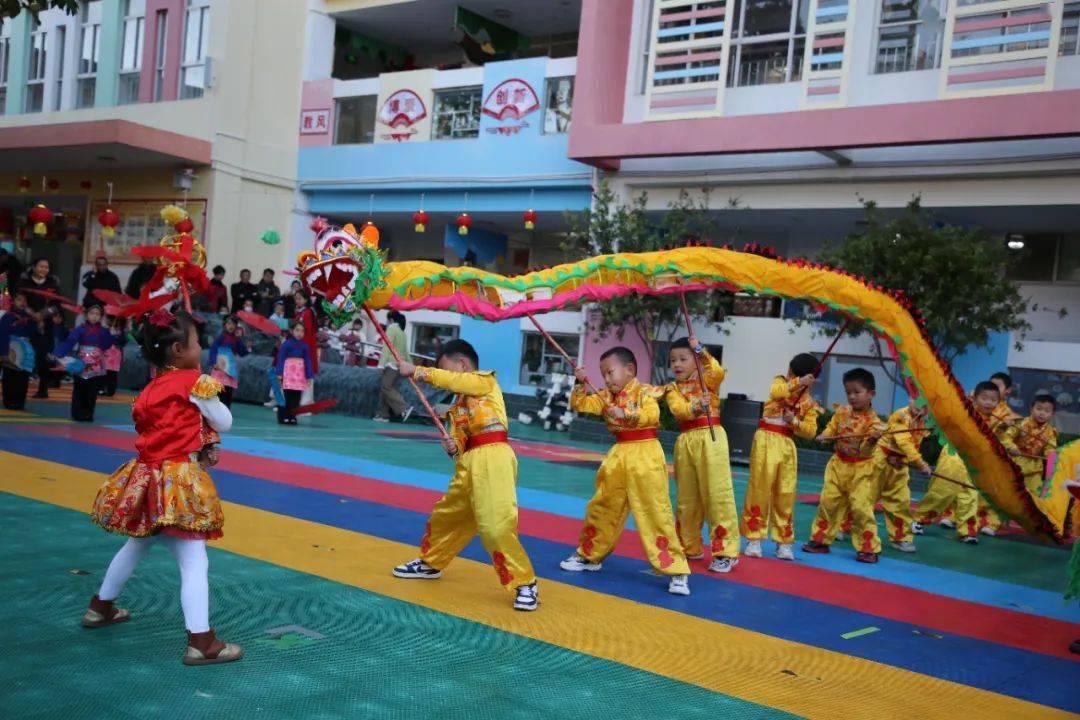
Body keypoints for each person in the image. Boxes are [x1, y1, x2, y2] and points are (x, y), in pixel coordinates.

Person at [81, 308, 242, 666]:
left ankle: (101, 607)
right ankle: (201, 641)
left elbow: (160, 429)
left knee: (136, 546)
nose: (201, 346)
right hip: (178, 482)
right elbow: (225, 422)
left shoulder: (149, 390)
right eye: (196, 342)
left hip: (146, 478)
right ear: (177, 351)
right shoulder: (194, 382)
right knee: (194, 561)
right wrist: (210, 402)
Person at [392, 339, 539, 611]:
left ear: (462, 364)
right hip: (469, 464)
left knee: (495, 525)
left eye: (448, 369)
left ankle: (525, 582)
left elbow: (453, 382)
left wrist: (417, 371)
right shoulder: (458, 406)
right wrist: (454, 446)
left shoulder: (484, 381)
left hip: (493, 457)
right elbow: (461, 443)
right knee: (447, 516)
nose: (447, 376)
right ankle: (430, 563)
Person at [560, 347, 692, 596]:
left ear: (630, 370)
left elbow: (651, 414)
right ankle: (590, 555)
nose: (607, 379)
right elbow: (580, 404)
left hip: (645, 453)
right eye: (603, 375)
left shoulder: (644, 391)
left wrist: (627, 413)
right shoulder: (605, 396)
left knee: (656, 511)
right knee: (602, 506)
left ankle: (676, 570)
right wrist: (579, 383)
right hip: (618, 454)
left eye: (610, 372)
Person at [662, 335, 740, 573]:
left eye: (683, 359)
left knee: (717, 494)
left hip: (711, 436)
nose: (677, 364)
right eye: (673, 360)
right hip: (686, 441)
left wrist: (700, 349)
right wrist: (695, 407)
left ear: (696, 361)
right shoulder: (672, 388)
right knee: (687, 499)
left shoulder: (708, 379)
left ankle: (726, 552)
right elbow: (679, 410)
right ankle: (689, 547)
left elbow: (717, 370)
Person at [740, 353, 822, 561]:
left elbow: (810, 431)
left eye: (806, 380)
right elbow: (776, 392)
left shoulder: (810, 403)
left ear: (812, 381)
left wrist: (794, 421)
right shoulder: (781, 382)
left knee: (785, 492)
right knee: (760, 488)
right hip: (766, 439)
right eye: (792, 374)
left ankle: (783, 542)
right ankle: (754, 538)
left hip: (786, 445)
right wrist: (796, 383)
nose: (790, 376)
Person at [913, 381, 1016, 544]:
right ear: (974, 399)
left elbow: (997, 441)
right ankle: (918, 519)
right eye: (985, 398)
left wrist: (1007, 441)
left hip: (973, 461)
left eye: (993, 400)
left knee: (970, 495)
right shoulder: (966, 411)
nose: (989, 403)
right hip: (954, 455)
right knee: (943, 490)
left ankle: (967, 531)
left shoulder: (996, 420)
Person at [801, 368, 886, 563]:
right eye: (848, 392)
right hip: (838, 465)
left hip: (861, 469)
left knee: (861, 508)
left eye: (857, 392)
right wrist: (826, 435)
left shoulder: (876, 424)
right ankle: (820, 540)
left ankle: (868, 548)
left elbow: (865, 452)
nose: (852, 397)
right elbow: (832, 427)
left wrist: (872, 441)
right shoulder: (841, 411)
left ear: (871, 394)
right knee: (828, 502)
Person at [871, 399, 931, 553]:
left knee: (901, 500)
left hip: (899, 463)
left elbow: (913, 444)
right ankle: (844, 524)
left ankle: (901, 537)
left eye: (925, 405)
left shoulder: (923, 421)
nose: (920, 407)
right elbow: (904, 442)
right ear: (910, 398)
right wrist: (920, 463)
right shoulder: (901, 415)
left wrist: (904, 459)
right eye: (917, 401)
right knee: (866, 495)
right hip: (881, 459)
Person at [55, 304, 114, 422]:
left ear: (101, 317)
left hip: (96, 364)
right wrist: (59, 353)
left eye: (97, 314)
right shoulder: (80, 329)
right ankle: (77, 413)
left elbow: (106, 345)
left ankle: (88, 414)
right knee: (79, 389)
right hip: (81, 363)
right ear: (86, 315)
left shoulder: (103, 331)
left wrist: (109, 332)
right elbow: (70, 341)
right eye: (92, 313)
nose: (94, 316)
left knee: (92, 391)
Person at [1011, 394, 1058, 494]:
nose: (1042, 413)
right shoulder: (1021, 423)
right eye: (1039, 409)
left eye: (1047, 411)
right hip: (1013, 463)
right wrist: (1011, 447)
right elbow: (1005, 437)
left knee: (1035, 496)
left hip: (1034, 469)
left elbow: (1051, 452)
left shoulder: (1051, 433)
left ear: (1052, 414)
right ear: (1031, 409)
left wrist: (1051, 458)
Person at [0, 290, 38, 410]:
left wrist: (38, 322)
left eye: (24, 300)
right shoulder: (7, 317)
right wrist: (3, 353)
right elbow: (2, 335)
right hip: (11, 349)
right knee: (10, 376)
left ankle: (20, 402)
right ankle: (9, 401)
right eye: (19, 300)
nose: (22, 302)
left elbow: (34, 333)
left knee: (23, 377)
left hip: (25, 350)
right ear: (13, 302)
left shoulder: (29, 318)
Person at [374, 310, 412, 422]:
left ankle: (404, 408)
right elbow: (406, 351)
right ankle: (382, 414)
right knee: (384, 389)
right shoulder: (402, 332)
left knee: (386, 387)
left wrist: (381, 364)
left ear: (390, 320)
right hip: (400, 364)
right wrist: (411, 366)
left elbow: (387, 347)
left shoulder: (391, 329)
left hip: (391, 364)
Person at [275, 321, 314, 425]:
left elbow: (308, 361)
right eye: (297, 330)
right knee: (287, 396)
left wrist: (309, 376)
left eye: (302, 331)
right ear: (292, 331)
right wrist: (279, 373)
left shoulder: (305, 346)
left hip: (299, 375)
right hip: (288, 373)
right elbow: (281, 358)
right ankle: (285, 416)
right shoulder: (286, 344)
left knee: (297, 396)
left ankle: (293, 416)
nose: (299, 333)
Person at [208, 315, 249, 408]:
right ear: (225, 325)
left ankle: (226, 408)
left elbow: (242, 352)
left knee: (228, 390)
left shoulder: (237, 339)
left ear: (236, 326)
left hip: (229, 368)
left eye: (233, 324)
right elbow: (213, 349)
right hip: (219, 367)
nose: (231, 326)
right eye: (229, 323)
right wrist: (213, 362)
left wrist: (246, 346)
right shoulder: (221, 337)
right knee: (218, 389)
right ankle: (215, 408)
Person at [102, 314, 128, 397]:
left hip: (115, 354)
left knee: (112, 373)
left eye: (109, 319)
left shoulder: (121, 332)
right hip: (107, 353)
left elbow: (124, 341)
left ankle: (111, 390)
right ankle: (103, 389)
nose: (107, 321)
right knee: (105, 372)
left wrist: (116, 335)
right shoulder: (106, 330)